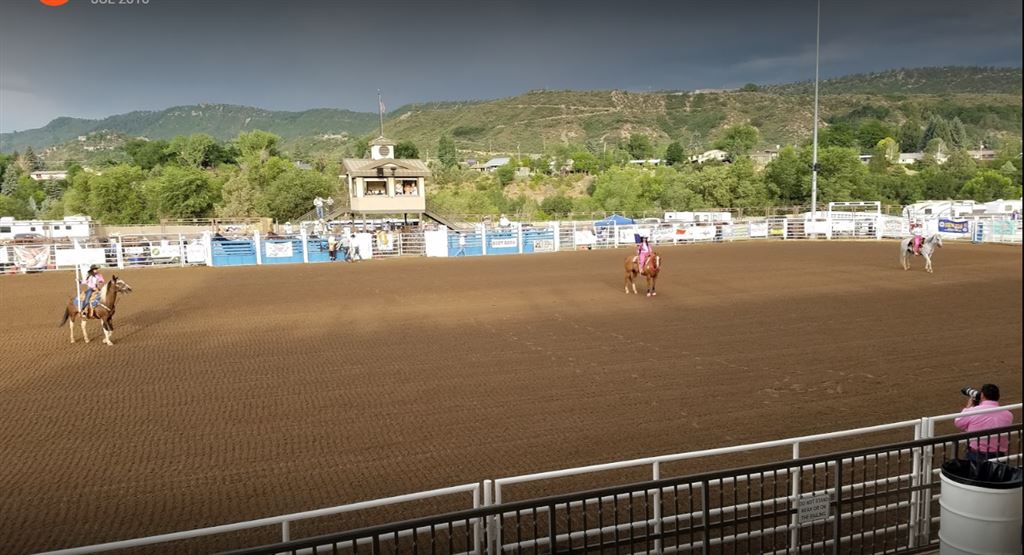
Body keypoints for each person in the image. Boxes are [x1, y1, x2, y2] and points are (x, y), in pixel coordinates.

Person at [954, 384, 1014, 464]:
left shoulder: (974, 411)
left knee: (974, 475)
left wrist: (969, 406)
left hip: (977, 455)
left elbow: (958, 422)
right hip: (999, 454)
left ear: (982, 395)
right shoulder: (1008, 414)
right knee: (997, 476)